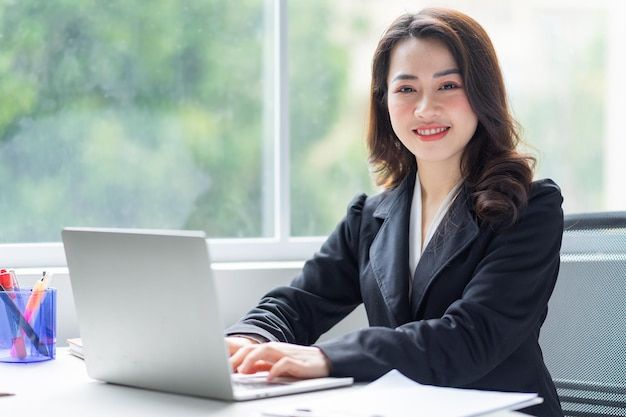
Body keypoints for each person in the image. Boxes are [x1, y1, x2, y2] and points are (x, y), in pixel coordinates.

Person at [226, 7, 564, 417]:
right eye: (406, 89)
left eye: (448, 85)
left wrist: (329, 358)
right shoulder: (372, 216)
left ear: (482, 94)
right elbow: (301, 300)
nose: (425, 108)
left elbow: (472, 337)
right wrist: (250, 338)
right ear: (384, 100)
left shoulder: (530, 208)